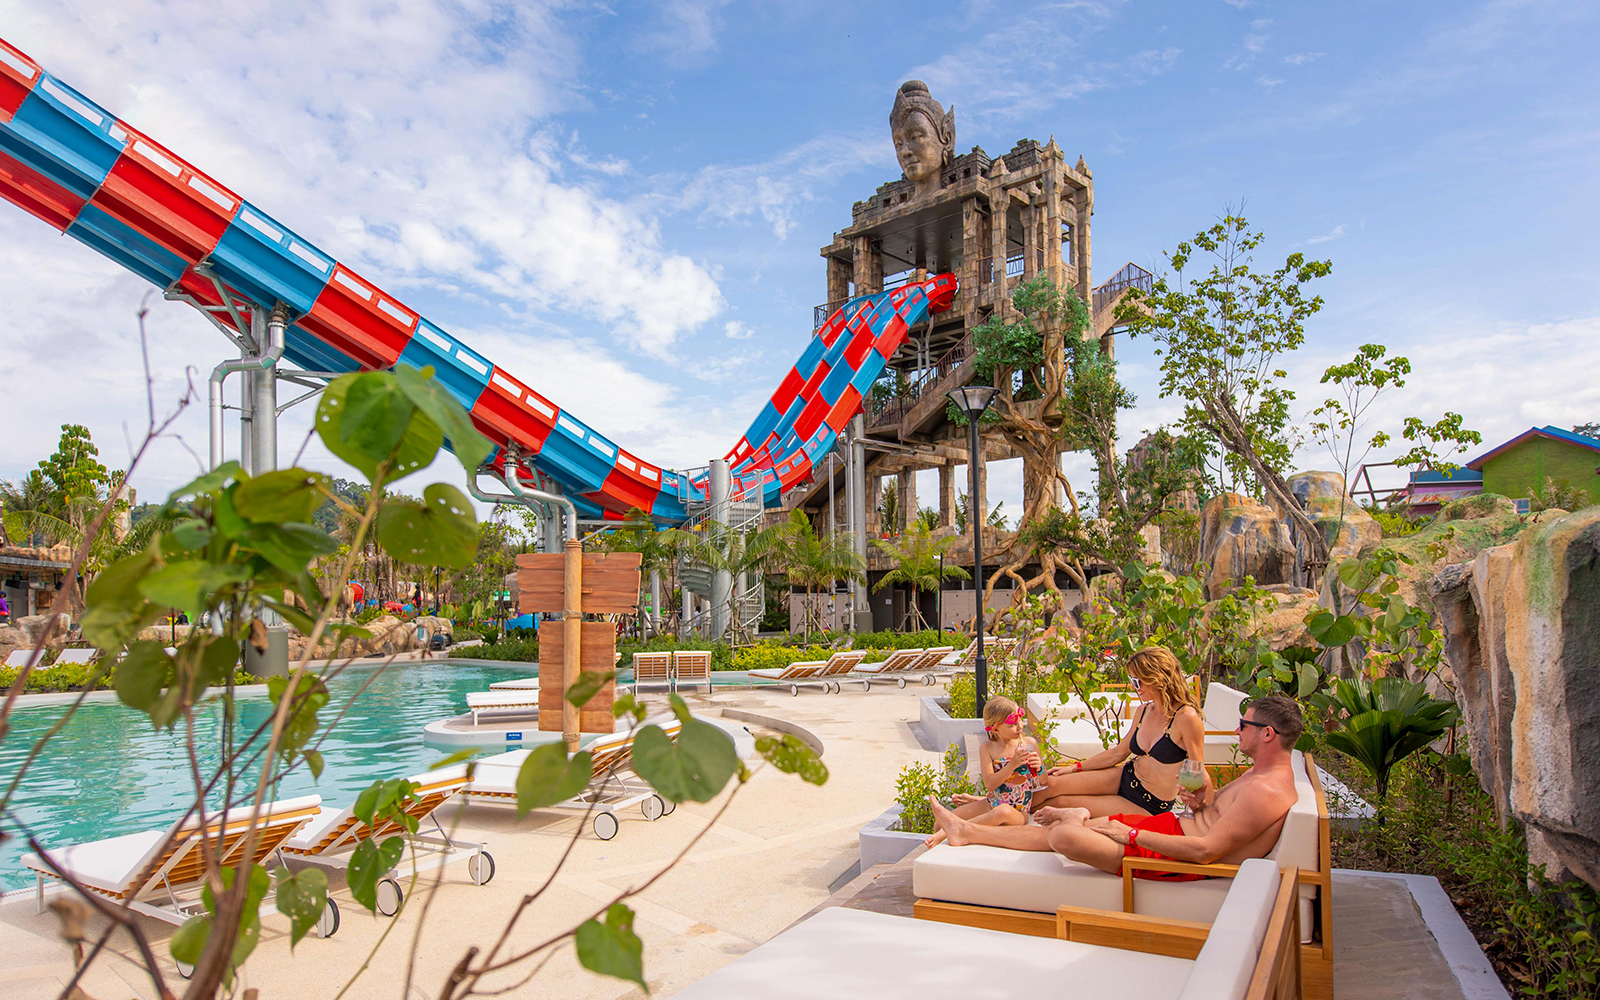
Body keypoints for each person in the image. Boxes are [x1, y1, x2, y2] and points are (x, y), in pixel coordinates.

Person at [928, 695, 1304, 877]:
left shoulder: (1266, 791)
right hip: (1169, 830)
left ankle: (1070, 819)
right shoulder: (1257, 775)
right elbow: (1213, 816)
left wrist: (1132, 834)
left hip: (1172, 857)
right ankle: (967, 831)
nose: (1236, 730)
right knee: (1063, 822)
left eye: (1244, 726)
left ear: (1268, 734)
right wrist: (1202, 800)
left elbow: (1206, 851)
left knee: (1064, 838)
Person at [1029, 646, 1213, 818]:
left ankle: (1012, 823)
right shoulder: (1144, 711)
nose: (1134, 687)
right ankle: (1009, 811)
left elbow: (1199, 770)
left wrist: (1211, 816)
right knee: (1051, 784)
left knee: (1061, 802)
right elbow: (1118, 753)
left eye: (1136, 681)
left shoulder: (1186, 718)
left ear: (1156, 678)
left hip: (1147, 804)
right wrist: (1073, 768)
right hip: (1126, 776)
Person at [924, 696, 1041, 848]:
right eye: (1012, 724)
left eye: (1020, 720)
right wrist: (1012, 765)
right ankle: (947, 829)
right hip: (992, 803)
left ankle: (955, 830)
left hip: (1018, 812)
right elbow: (990, 784)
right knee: (939, 824)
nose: (1020, 727)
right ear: (995, 728)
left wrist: (1040, 767)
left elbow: (1043, 780)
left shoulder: (1029, 744)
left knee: (1002, 812)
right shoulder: (987, 749)